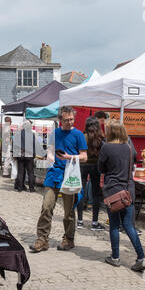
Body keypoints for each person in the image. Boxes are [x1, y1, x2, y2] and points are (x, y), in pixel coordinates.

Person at [30, 106, 88, 253]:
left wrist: (70, 157)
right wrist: (49, 155)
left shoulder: (78, 134)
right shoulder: (55, 133)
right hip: (53, 174)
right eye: (67, 120)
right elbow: (50, 149)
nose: (70, 122)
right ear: (60, 119)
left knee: (68, 211)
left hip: (69, 176)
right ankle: (42, 240)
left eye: (72, 119)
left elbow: (84, 156)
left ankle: (68, 239)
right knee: (46, 207)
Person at [98, 120, 145, 272]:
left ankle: (115, 257)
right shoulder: (129, 147)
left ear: (110, 132)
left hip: (113, 190)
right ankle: (141, 257)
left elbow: (100, 167)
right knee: (129, 225)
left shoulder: (106, 147)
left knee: (114, 225)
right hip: (128, 190)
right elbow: (134, 161)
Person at [76, 116, 105, 231]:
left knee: (80, 192)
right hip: (96, 166)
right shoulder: (100, 138)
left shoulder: (82, 137)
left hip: (83, 165)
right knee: (96, 194)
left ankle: (80, 221)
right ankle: (94, 222)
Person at [13, 120, 43, 192]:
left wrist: (14, 154)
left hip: (20, 155)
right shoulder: (31, 134)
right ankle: (31, 188)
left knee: (20, 172)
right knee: (30, 172)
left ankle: (20, 188)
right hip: (29, 155)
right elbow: (35, 144)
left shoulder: (18, 134)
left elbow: (14, 144)